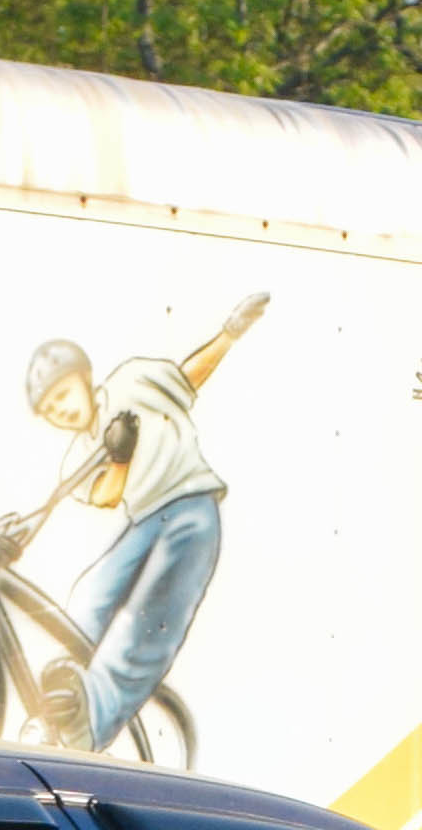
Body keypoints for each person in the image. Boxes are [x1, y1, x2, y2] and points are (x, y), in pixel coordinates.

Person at [23, 293, 268, 750]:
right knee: (92, 590)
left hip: (191, 509)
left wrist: (230, 334)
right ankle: (64, 692)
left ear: (83, 378)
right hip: (146, 518)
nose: (63, 410)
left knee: (143, 623)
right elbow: (105, 495)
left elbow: (187, 379)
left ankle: (86, 729)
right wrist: (118, 457)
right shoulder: (79, 455)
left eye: (63, 395)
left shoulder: (130, 380)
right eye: (52, 411)